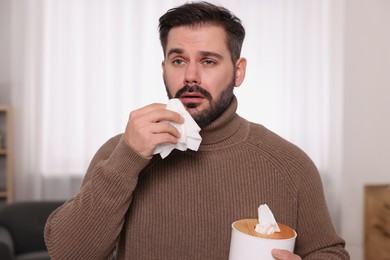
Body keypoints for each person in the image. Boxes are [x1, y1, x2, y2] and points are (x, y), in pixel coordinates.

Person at [44, 2, 349, 259]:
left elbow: (329, 252)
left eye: (208, 61)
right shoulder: (121, 152)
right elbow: (66, 253)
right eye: (179, 60)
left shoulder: (289, 164)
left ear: (238, 71)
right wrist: (128, 158)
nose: (191, 76)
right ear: (164, 68)